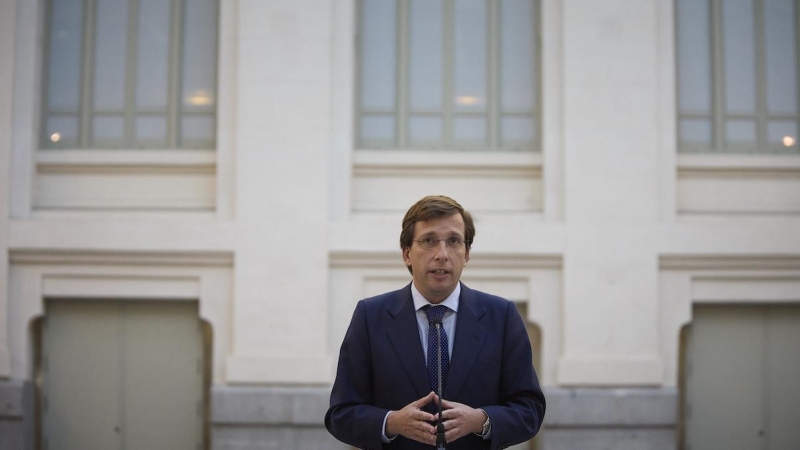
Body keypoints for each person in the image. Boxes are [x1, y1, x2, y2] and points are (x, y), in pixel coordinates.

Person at [325, 195, 546, 449]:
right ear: (407, 253)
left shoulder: (502, 315)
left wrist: (482, 420)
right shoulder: (370, 316)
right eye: (429, 241)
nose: (442, 254)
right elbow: (340, 414)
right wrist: (391, 422)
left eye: (453, 241)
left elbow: (530, 409)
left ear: (466, 254)